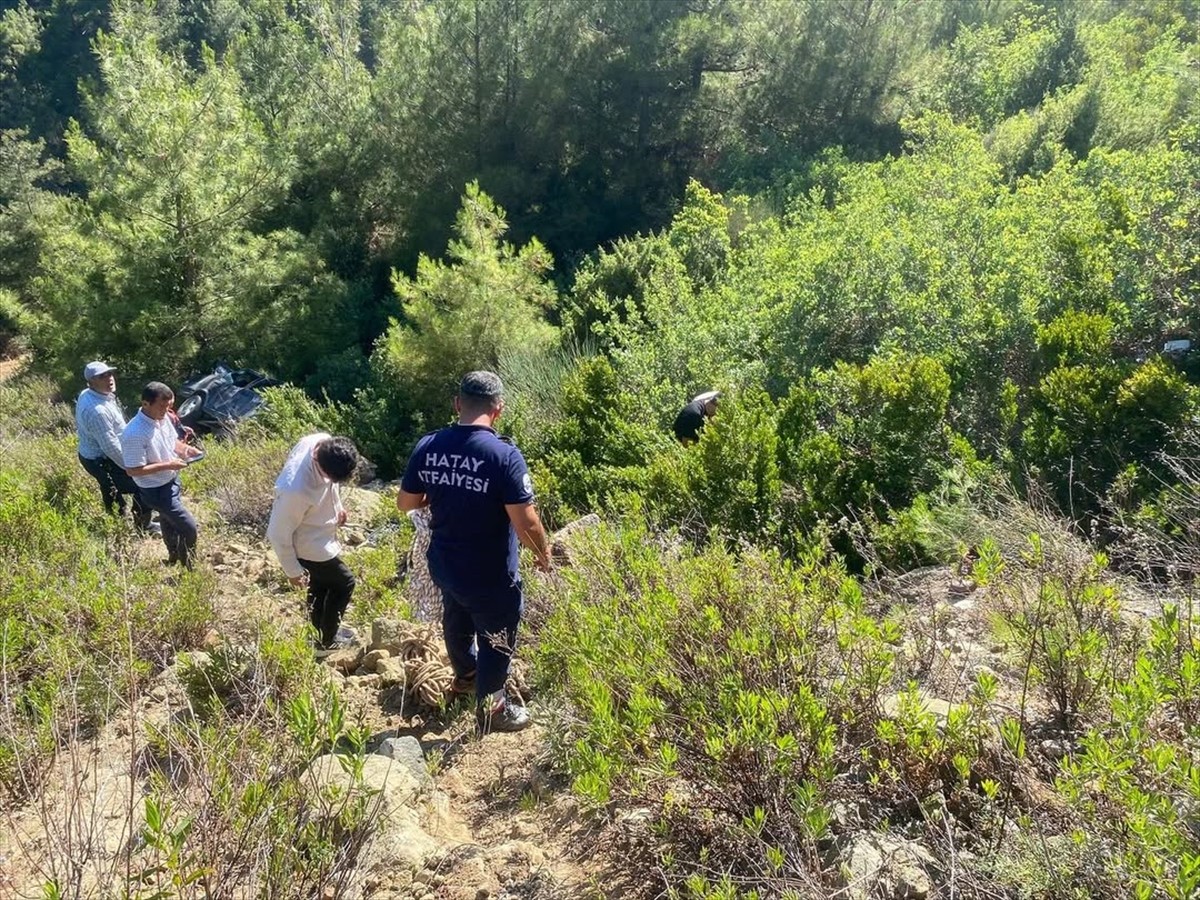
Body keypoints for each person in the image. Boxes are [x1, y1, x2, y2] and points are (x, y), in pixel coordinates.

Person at [397, 371, 551, 734]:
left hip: (445, 562)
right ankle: (493, 710)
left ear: (457, 404)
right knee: (497, 637)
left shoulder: (429, 445)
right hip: (490, 572)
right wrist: (543, 554)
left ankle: (466, 675)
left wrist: (442, 489)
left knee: (457, 616)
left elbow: (406, 502)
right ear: (498, 410)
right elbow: (525, 522)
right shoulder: (504, 456)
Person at [266, 433, 360, 652]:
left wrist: (338, 508)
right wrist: (293, 571)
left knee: (319, 587)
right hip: (309, 544)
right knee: (344, 583)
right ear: (318, 462)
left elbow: (330, 485)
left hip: (320, 532)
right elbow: (277, 533)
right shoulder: (295, 489)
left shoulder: (323, 442)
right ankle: (327, 640)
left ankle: (318, 636)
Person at [121, 382, 203, 567]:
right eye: (162, 406)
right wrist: (168, 465)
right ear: (145, 404)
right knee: (188, 527)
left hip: (171, 481)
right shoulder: (134, 433)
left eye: (169, 406)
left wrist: (186, 449)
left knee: (167, 520)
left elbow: (171, 442)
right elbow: (133, 470)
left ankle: (173, 557)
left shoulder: (163, 418)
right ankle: (189, 567)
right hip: (155, 490)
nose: (167, 411)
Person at [75, 361, 156, 533]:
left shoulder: (94, 395)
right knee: (142, 484)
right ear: (91, 382)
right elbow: (110, 447)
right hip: (100, 460)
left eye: (109, 374)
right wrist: (134, 468)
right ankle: (143, 526)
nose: (109, 378)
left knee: (110, 488)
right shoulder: (97, 411)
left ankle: (116, 521)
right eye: (102, 376)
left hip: (92, 456)